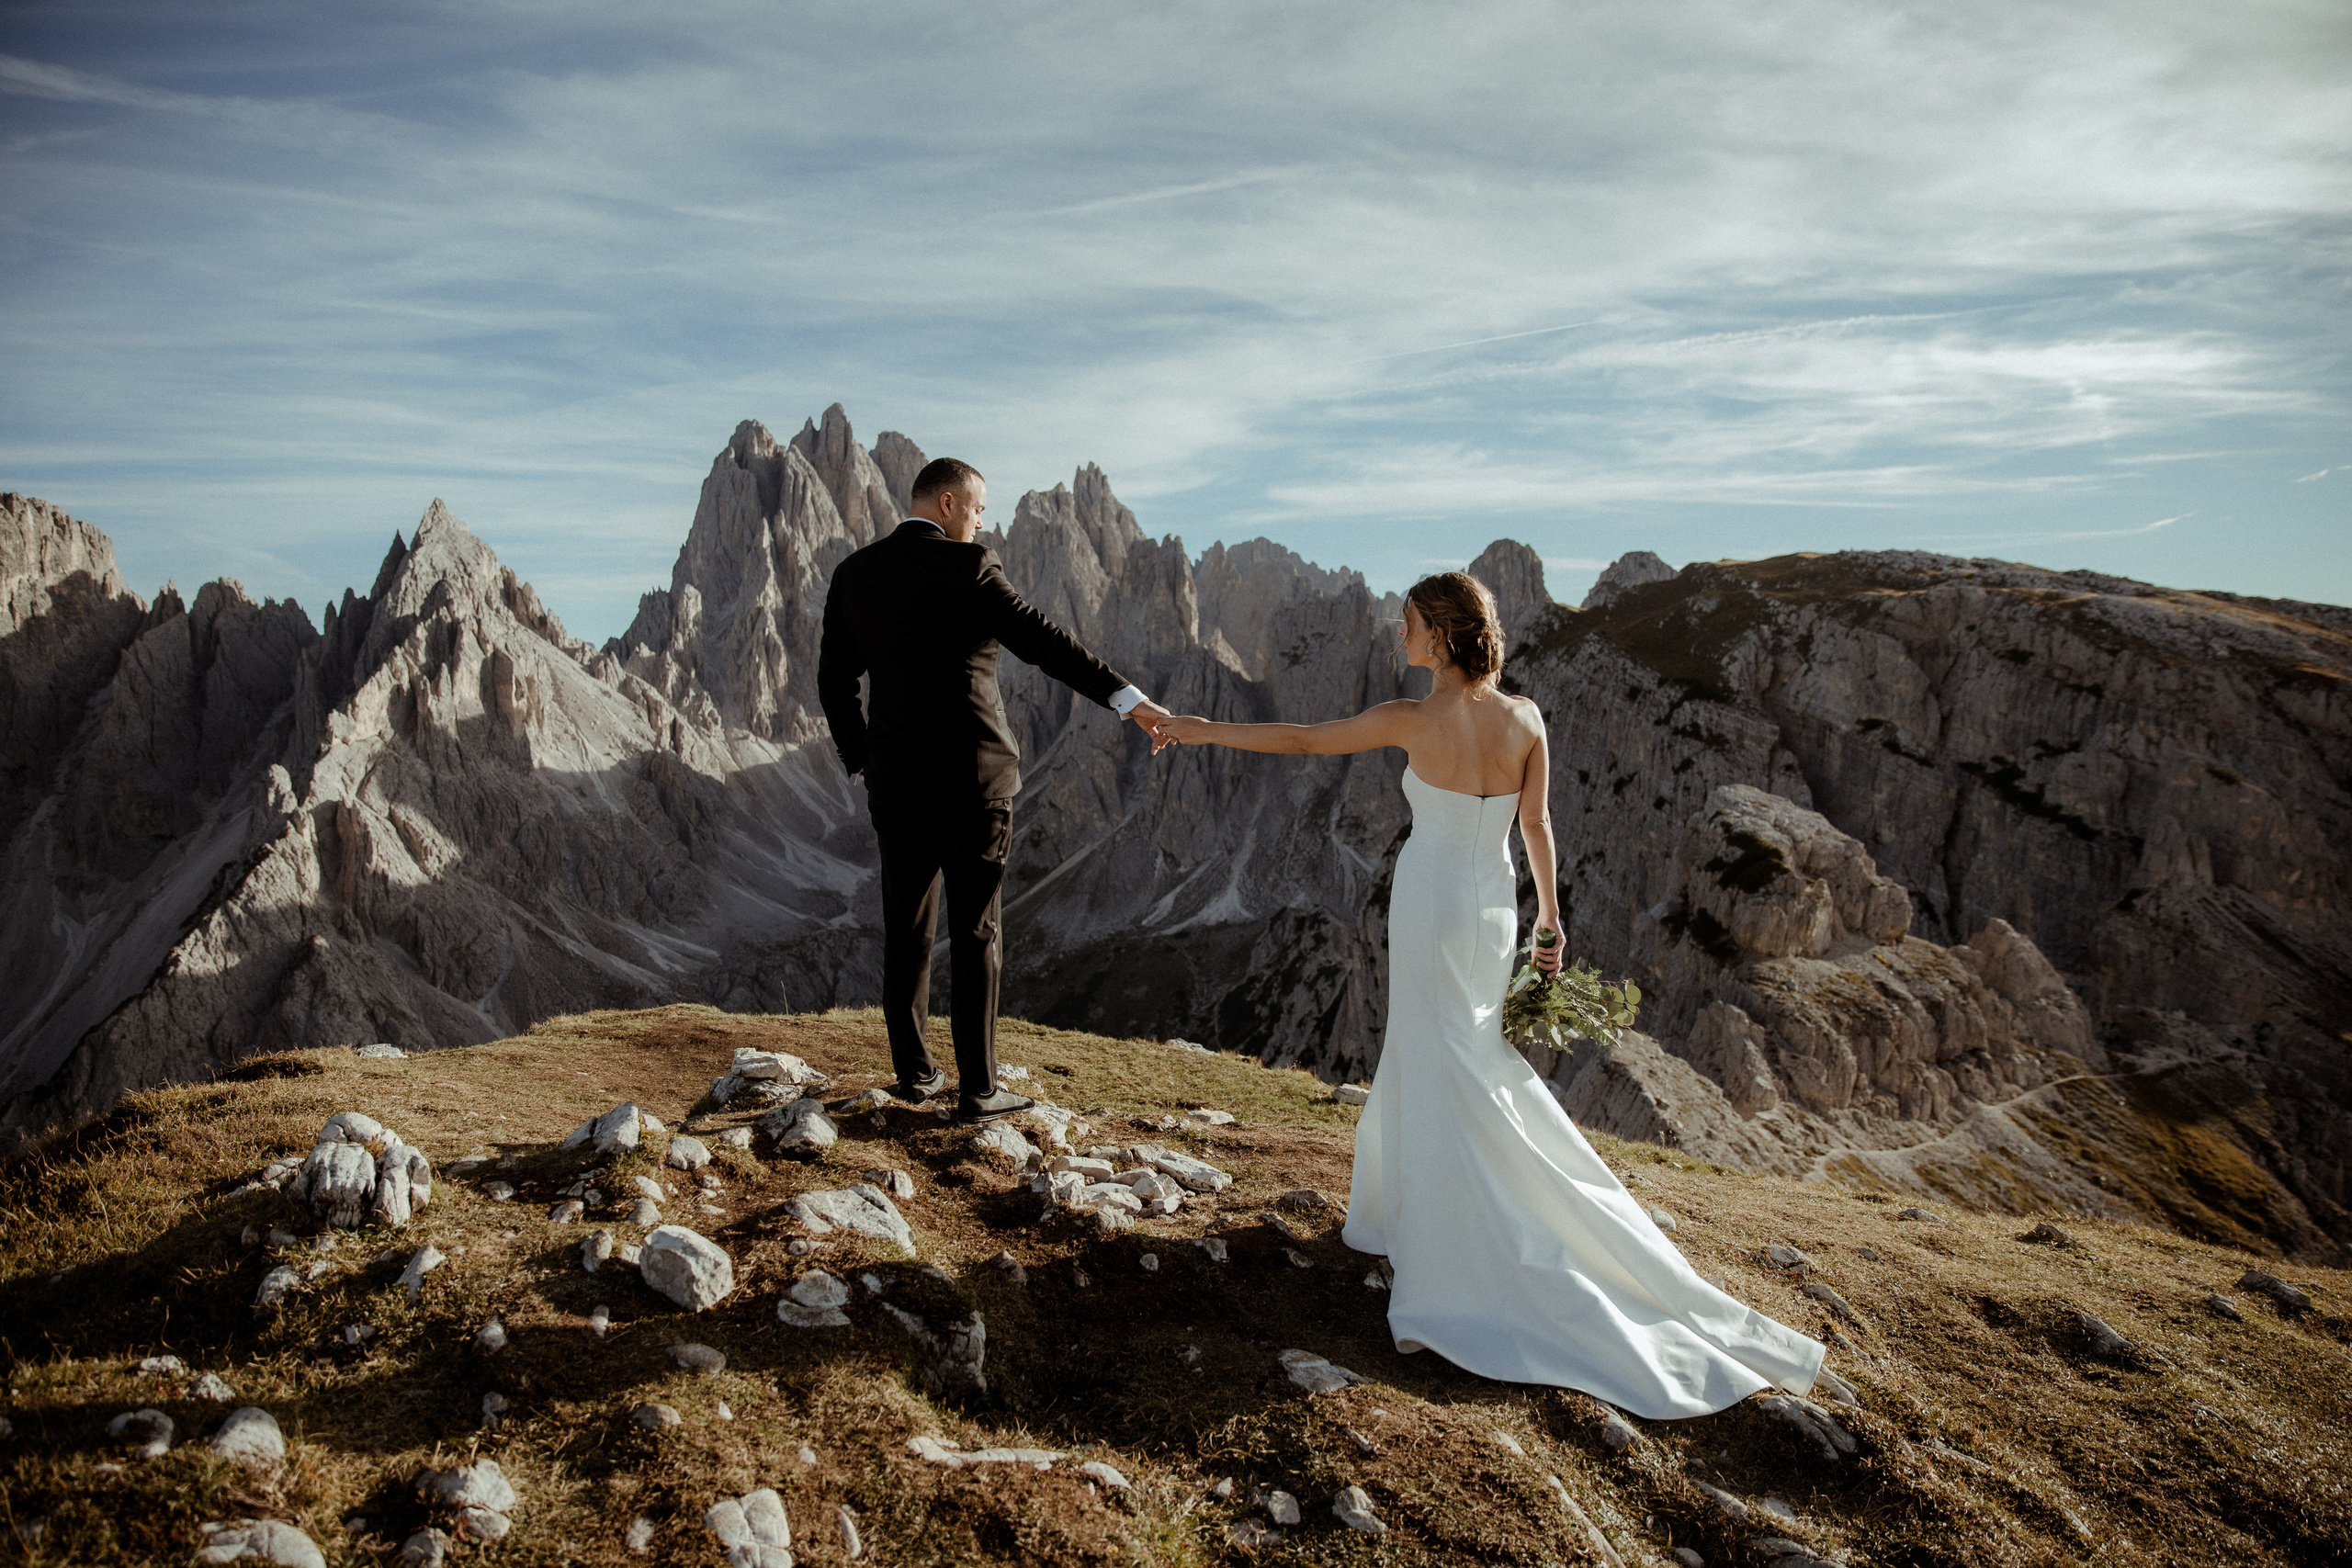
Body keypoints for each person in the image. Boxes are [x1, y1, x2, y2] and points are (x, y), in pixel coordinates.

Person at [1149, 570, 1825, 1417]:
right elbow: (1538, 827)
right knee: (1466, 1049)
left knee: (1440, 1055)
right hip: (1494, 904)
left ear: (1440, 633)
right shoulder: (1526, 718)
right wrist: (1550, 916)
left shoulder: (1411, 718)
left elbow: (1303, 740)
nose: (1400, 638)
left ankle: (1454, 1239)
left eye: (1409, 626)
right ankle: (1447, 1207)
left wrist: (1202, 728)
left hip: (1430, 897)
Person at [818, 457, 1170, 1123]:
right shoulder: (969, 568)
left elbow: (834, 680)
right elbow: (1047, 644)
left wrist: (862, 760)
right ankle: (979, 1090)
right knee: (977, 929)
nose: (983, 522)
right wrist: (1131, 702)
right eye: (979, 510)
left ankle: (916, 1075)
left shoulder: (855, 575)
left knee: (907, 928)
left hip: (895, 783)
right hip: (974, 781)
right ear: (948, 504)